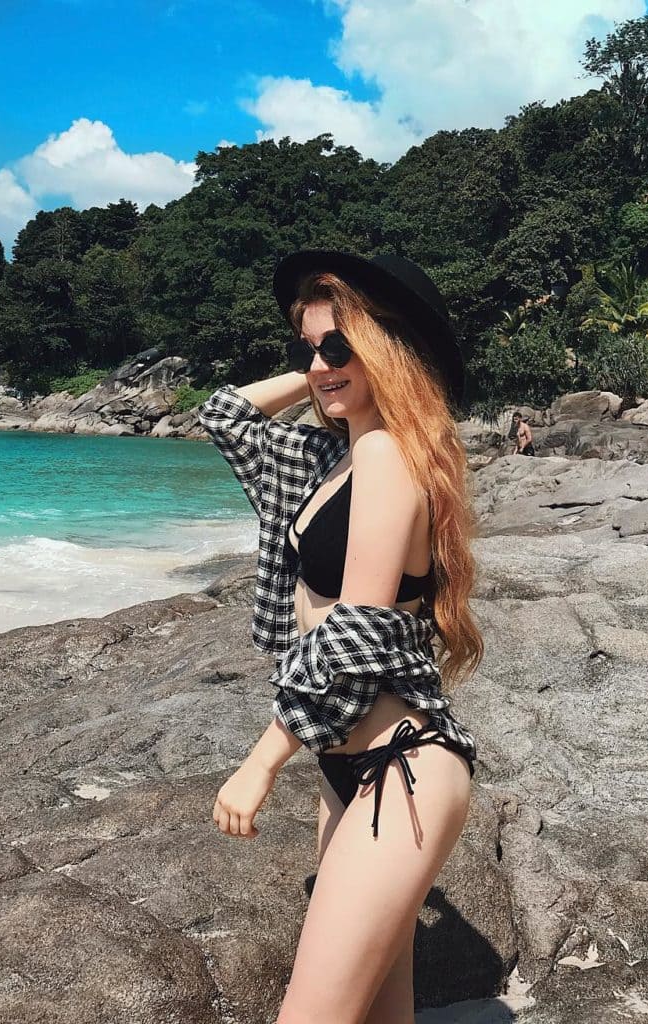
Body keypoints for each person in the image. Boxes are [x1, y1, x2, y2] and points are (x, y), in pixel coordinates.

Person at [198, 250, 483, 1024]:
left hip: (402, 765)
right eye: (307, 348)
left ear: (390, 352)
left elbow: (353, 632)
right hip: (345, 768)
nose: (320, 364)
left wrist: (260, 762)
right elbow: (224, 416)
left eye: (340, 346)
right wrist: (323, 372)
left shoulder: (387, 456)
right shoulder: (333, 456)